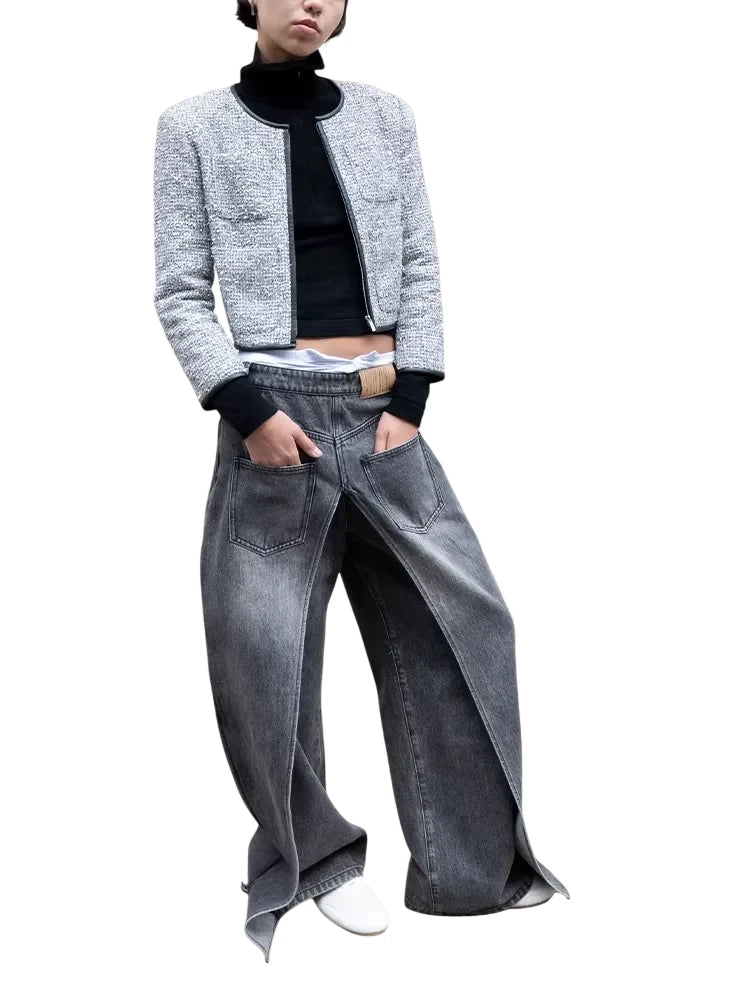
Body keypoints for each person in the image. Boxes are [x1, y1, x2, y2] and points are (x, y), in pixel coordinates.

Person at [152, 0, 570, 964]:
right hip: (271, 417)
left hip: (383, 412)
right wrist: (247, 411)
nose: (311, 2)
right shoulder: (191, 127)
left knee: (465, 620)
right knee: (264, 650)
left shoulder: (386, 115)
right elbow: (179, 289)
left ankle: (468, 869)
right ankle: (317, 862)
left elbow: (420, 255)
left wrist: (412, 394)